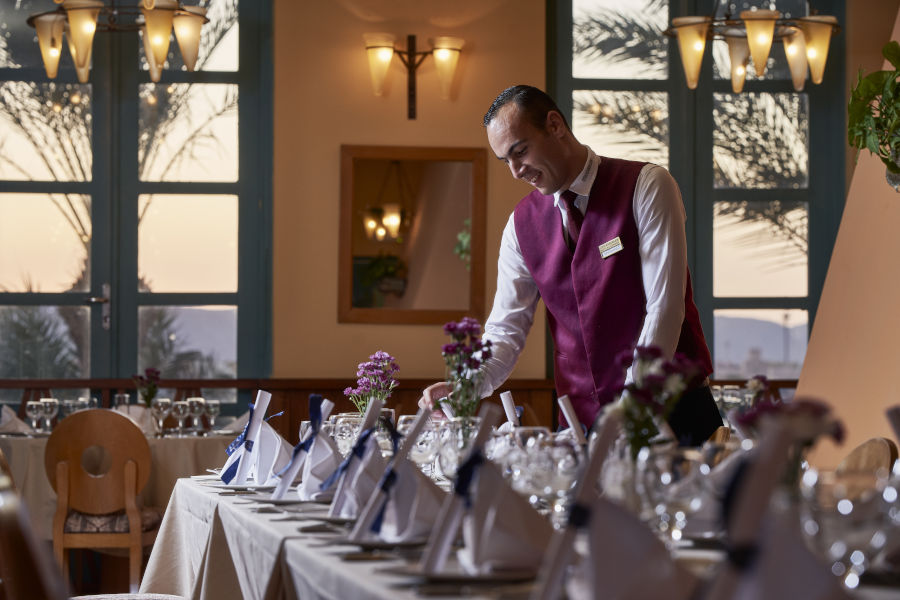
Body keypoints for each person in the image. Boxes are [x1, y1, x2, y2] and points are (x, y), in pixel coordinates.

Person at [421, 85, 721, 446]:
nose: (516, 171)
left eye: (520, 151)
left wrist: (632, 405)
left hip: (673, 413)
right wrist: (466, 385)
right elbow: (505, 329)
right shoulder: (520, 226)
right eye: (506, 161)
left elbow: (664, 308)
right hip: (580, 425)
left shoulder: (647, 185)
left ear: (555, 125)